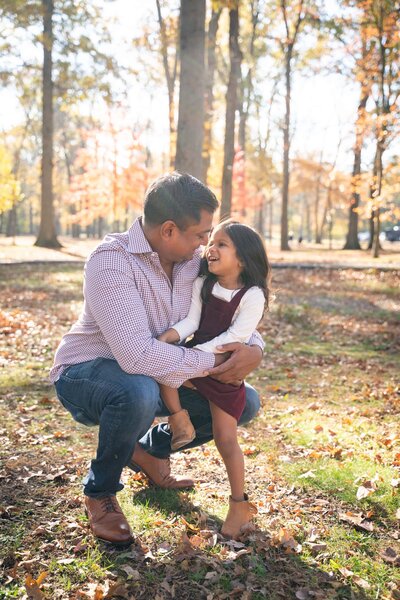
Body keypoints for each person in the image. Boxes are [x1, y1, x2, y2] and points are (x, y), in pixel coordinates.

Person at [50, 172, 264, 547]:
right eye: (200, 235)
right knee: (138, 391)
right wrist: (214, 365)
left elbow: (233, 301)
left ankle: (148, 450)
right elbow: (135, 355)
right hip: (88, 371)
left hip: (161, 368)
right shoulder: (110, 263)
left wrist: (253, 349)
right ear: (168, 231)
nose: (205, 245)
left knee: (246, 401)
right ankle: (100, 492)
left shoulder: (192, 262)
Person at [157, 221, 270, 539]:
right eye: (212, 242)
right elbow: (192, 320)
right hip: (201, 355)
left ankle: (238, 503)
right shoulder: (203, 283)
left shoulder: (253, 295)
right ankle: (178, 420)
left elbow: (237, 336)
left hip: (222, 368)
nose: (212, 249)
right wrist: (172, 336)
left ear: (243, 258)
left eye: (222, 244)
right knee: (167, 369)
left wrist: (196, 360)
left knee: (226, 439)